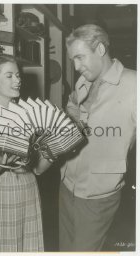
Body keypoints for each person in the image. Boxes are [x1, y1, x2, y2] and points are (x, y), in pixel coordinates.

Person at [59, 24, 136, 251]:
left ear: (100, 49)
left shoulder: (134, 84)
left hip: (98, 194)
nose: (76, 66)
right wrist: (71, 118)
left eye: (80, 57)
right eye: (73, 59)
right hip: (67, 184)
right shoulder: (82, 82)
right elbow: (81, 130)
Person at [0, 55, 51, 252]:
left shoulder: (31, 115)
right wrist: (1, 164)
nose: (17, 79)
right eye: (9, 76)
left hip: (29, 188)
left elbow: (38, 169)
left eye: (17, 74)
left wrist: (56, 150)